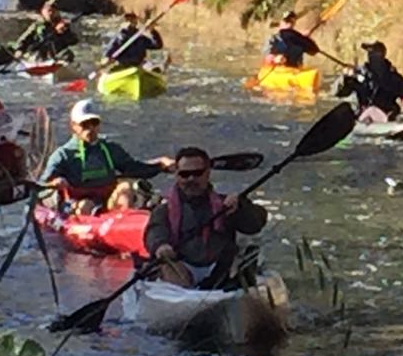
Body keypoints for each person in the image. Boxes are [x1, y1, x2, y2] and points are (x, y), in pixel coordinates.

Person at [144, 146, 268, 288]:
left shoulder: (226, 205)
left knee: (235, 259)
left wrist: (241, 207)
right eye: (185, 174)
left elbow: (255, 226)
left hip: (219, 266)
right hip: (181, 267)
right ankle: (194, 292)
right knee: (167, 269)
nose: (191, 179)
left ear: (207, 173)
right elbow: (155, 231)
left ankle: (232, 279)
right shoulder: (164, 209)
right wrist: (160, 246)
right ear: (177, 175)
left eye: (197, 173)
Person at [40, 99, 173, 214]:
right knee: (86, 206)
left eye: (94, 122)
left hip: (108, 199)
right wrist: (54, 183)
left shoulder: (110, 149)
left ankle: (124, 224)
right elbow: (41, 188)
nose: (91, 129)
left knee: (126, 187)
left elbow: (134, 168)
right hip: (80, 203)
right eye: (85, 124)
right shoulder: (63, 155)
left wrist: (161, 165)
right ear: (73, 126)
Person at [337, 41, 403, 123]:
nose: (371, 56)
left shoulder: (393, 77)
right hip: (365, 117)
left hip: (389, 115)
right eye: (370, 53)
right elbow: (341, 93)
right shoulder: (359, 75)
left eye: (374, 53)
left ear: (382, 55)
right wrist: (346, 78)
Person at [14, 0, 79, 62]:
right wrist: (21, 49)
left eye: (53, 10)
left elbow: (73, 41)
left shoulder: (65, 29)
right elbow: (27, 39)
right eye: (49, 10)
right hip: (32, 56)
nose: (51, 13)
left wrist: (63, 32)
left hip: (50, 59)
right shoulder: (41, 25)